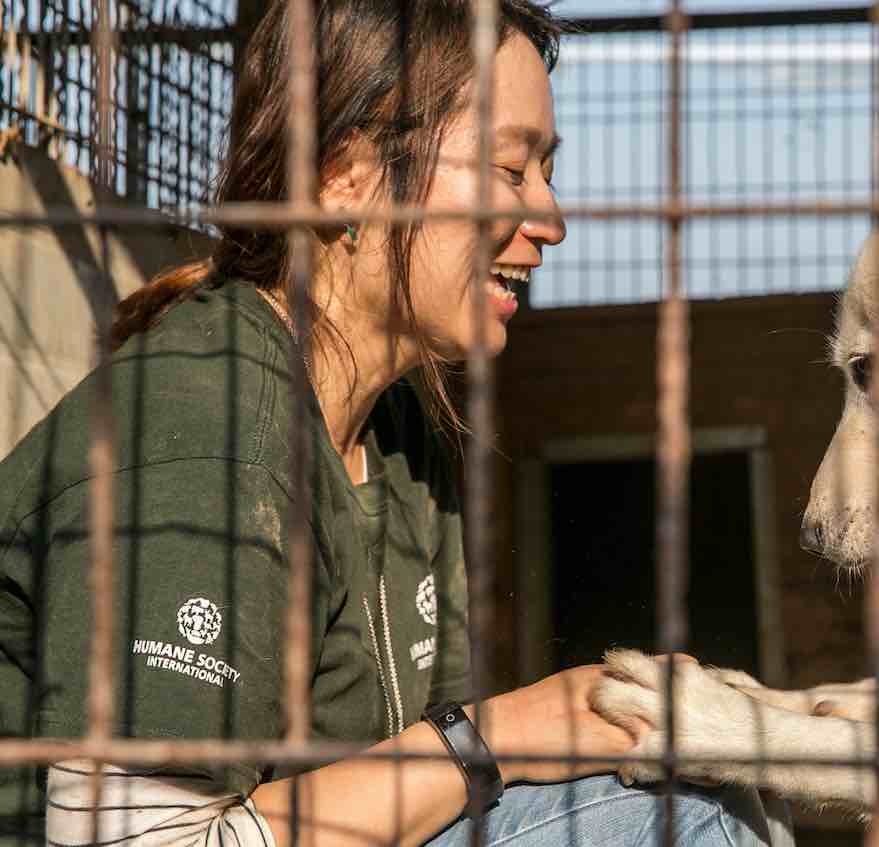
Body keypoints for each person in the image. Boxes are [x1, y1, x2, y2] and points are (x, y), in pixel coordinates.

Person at [0, 1, 791, 845]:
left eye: (546, 171)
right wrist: (500, 735)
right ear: (344, 176)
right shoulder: (209, 428)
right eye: (510, 169)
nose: (549, 221)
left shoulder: (403, 426)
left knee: (711, 784)